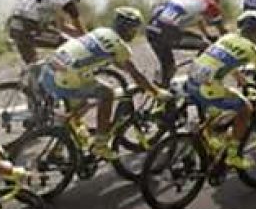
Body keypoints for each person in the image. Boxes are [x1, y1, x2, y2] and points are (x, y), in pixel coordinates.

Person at [36, 8, 164, 159]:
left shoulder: (101, 31)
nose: (135, 33)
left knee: (80, 106)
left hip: (48, 71)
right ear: (128, 29)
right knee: (107, 93)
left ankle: (59, 145)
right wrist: (156, 92)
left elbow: (111, 59)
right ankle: (100, 145)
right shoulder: (119, 45)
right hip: (64, 79)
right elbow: (134, 73)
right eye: (134, 29)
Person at [184, 11, 256, 170]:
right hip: (207, 88)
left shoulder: (227, 37)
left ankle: (206, 132)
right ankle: (233, 155)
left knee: (219, 105)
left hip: (191, 81)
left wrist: (239, 78)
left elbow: (220, 61)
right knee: (245, 108)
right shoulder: (253, 50)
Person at [145, 0, 229, 85]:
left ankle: (161, 91)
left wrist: (207, 34)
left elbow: (199, 19)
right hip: (166, 32)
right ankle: (195, 78)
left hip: (152, 29)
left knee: (169, 66)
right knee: (205, 45)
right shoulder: (210, 5)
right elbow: (222, 31)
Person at [6, 0, 91, 65]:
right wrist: (90, 39)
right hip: (28, 27)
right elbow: (80, 29)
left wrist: (81, 36)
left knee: (33, 65)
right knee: (68, 43)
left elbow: (63, 27)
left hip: (15, 27)